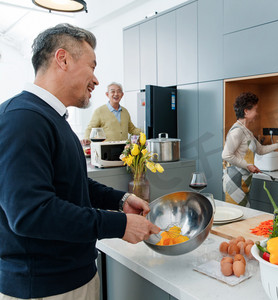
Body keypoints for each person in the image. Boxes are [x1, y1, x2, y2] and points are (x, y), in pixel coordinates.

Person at [0, 23, 160, 300]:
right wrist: (118, 225)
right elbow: (32, 213)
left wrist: (119, 200)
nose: (96, 81)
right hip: (46, 288)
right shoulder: (22, 119)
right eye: (92, 67)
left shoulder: (49, 118)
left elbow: (71, 182)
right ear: (62, 59)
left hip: (71, 277)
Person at [222, 92, 278, 207]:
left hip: (243, 180)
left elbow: (260, 150)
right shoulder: (237, 131)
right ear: (246, 111)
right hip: (234, 181)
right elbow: (226, 155)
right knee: (238, 216)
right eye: (255, 109)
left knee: (243, 213)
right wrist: (248, 165)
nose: (257, 113)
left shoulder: (247, 131)